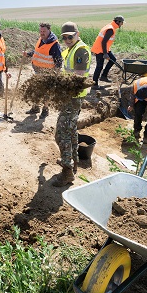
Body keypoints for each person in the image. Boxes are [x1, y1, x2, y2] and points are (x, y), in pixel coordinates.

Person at [55, 22, 91, 185]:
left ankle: (67, 171)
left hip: (73, 97)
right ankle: (73, 160)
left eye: (71, 36)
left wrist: (58, 84)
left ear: (78, 33)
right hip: (69, 96)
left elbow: (78, 76)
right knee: (71, 130)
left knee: (61, 134)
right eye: (65, 37)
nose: (68, 39)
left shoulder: (81, 50)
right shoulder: (70, 49)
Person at [24, 22, 63, 119]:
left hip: (48, 72)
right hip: (37, 70)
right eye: (40, 31)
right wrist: (28, 54)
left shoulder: (54, 44)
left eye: (44, 31)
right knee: (36, 89)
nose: (42, 33)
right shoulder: (41, 39)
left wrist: (56, 73)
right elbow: (37, 52)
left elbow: (58, 60)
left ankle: (45, 110)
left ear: (49, 30)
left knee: (46, 92)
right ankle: (35, 108)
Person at [91, 16, 124, 87]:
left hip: (104, 48)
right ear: (117, 22)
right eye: (122, 22)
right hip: (100, 49)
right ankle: (94, 84)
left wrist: (106, 52)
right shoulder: (110, 29)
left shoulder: (110, 26)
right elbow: (103, 42)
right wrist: (105, 53)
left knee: (113, 59)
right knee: (99, 66)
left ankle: (104, 76)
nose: (122, 24)